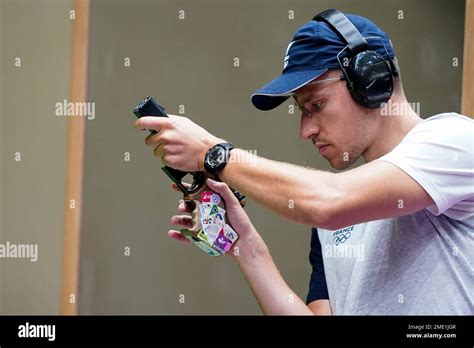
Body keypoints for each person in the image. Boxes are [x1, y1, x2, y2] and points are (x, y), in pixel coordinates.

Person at [135, 9, 474, 315]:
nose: (306, 129)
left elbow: (329, 202)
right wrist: (246, 246)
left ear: (371, 81)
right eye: (301, 109)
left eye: (316, 105)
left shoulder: (454, 140)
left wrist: (213, 153)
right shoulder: (337, 210)